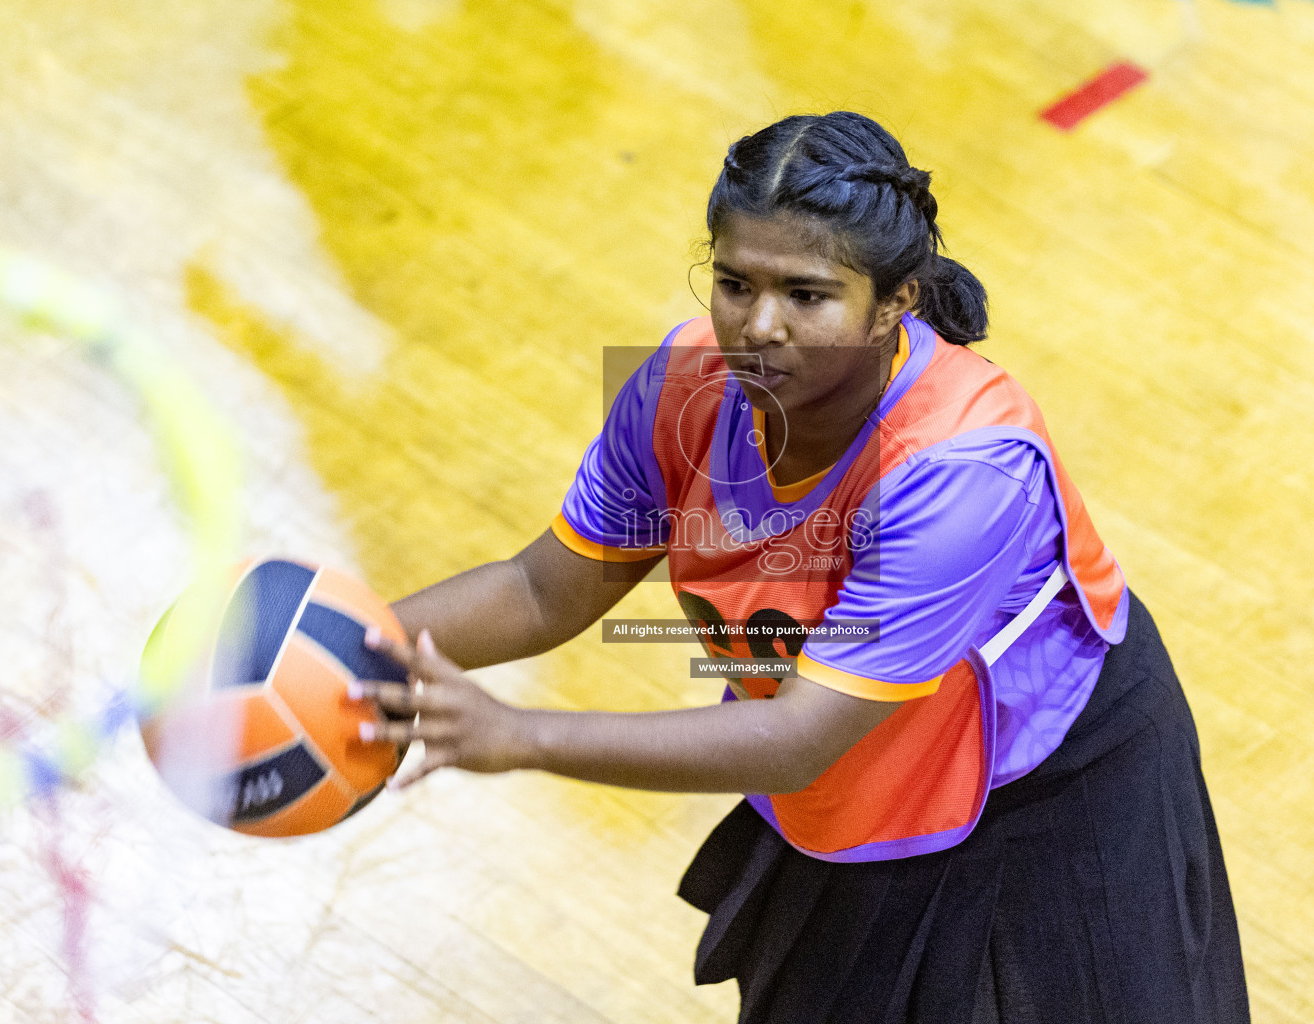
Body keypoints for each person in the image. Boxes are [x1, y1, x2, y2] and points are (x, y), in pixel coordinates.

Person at [355, 111, 1252, 1023]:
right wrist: (346, 648)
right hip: (864, 769)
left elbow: (795, 739)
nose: (760, 326)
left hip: (1050, 790)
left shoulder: (962, 470)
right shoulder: (681, 389)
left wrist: (520, 737)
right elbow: (541, 589)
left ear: (896, 302)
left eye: (809, 295)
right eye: (735, 283)